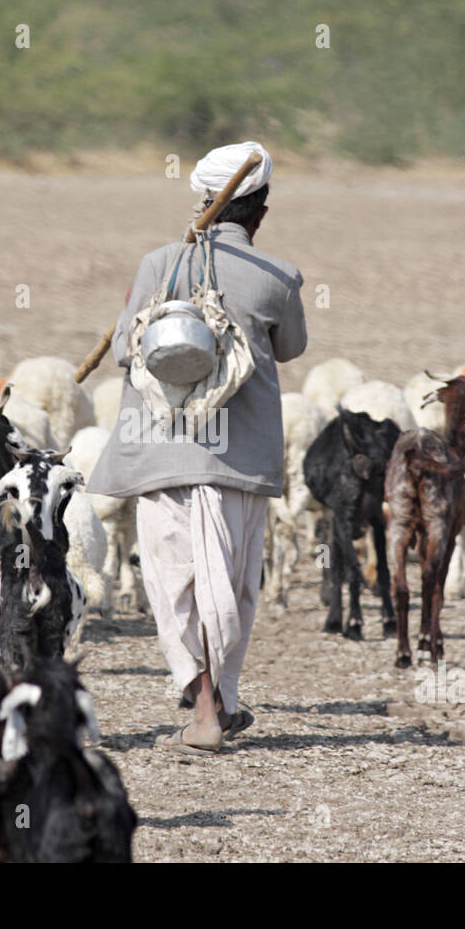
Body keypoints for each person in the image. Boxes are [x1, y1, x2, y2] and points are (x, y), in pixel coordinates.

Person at [87, 141, 307, 754]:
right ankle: (219, 707)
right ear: (260, 212)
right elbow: (290, 348)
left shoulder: (159, 263)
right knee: (230, 585)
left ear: (204, 204)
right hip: (239, 462)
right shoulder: (279, 276)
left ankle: (208, 708)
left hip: (160, 453)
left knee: (176, 584)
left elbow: (129, 352)